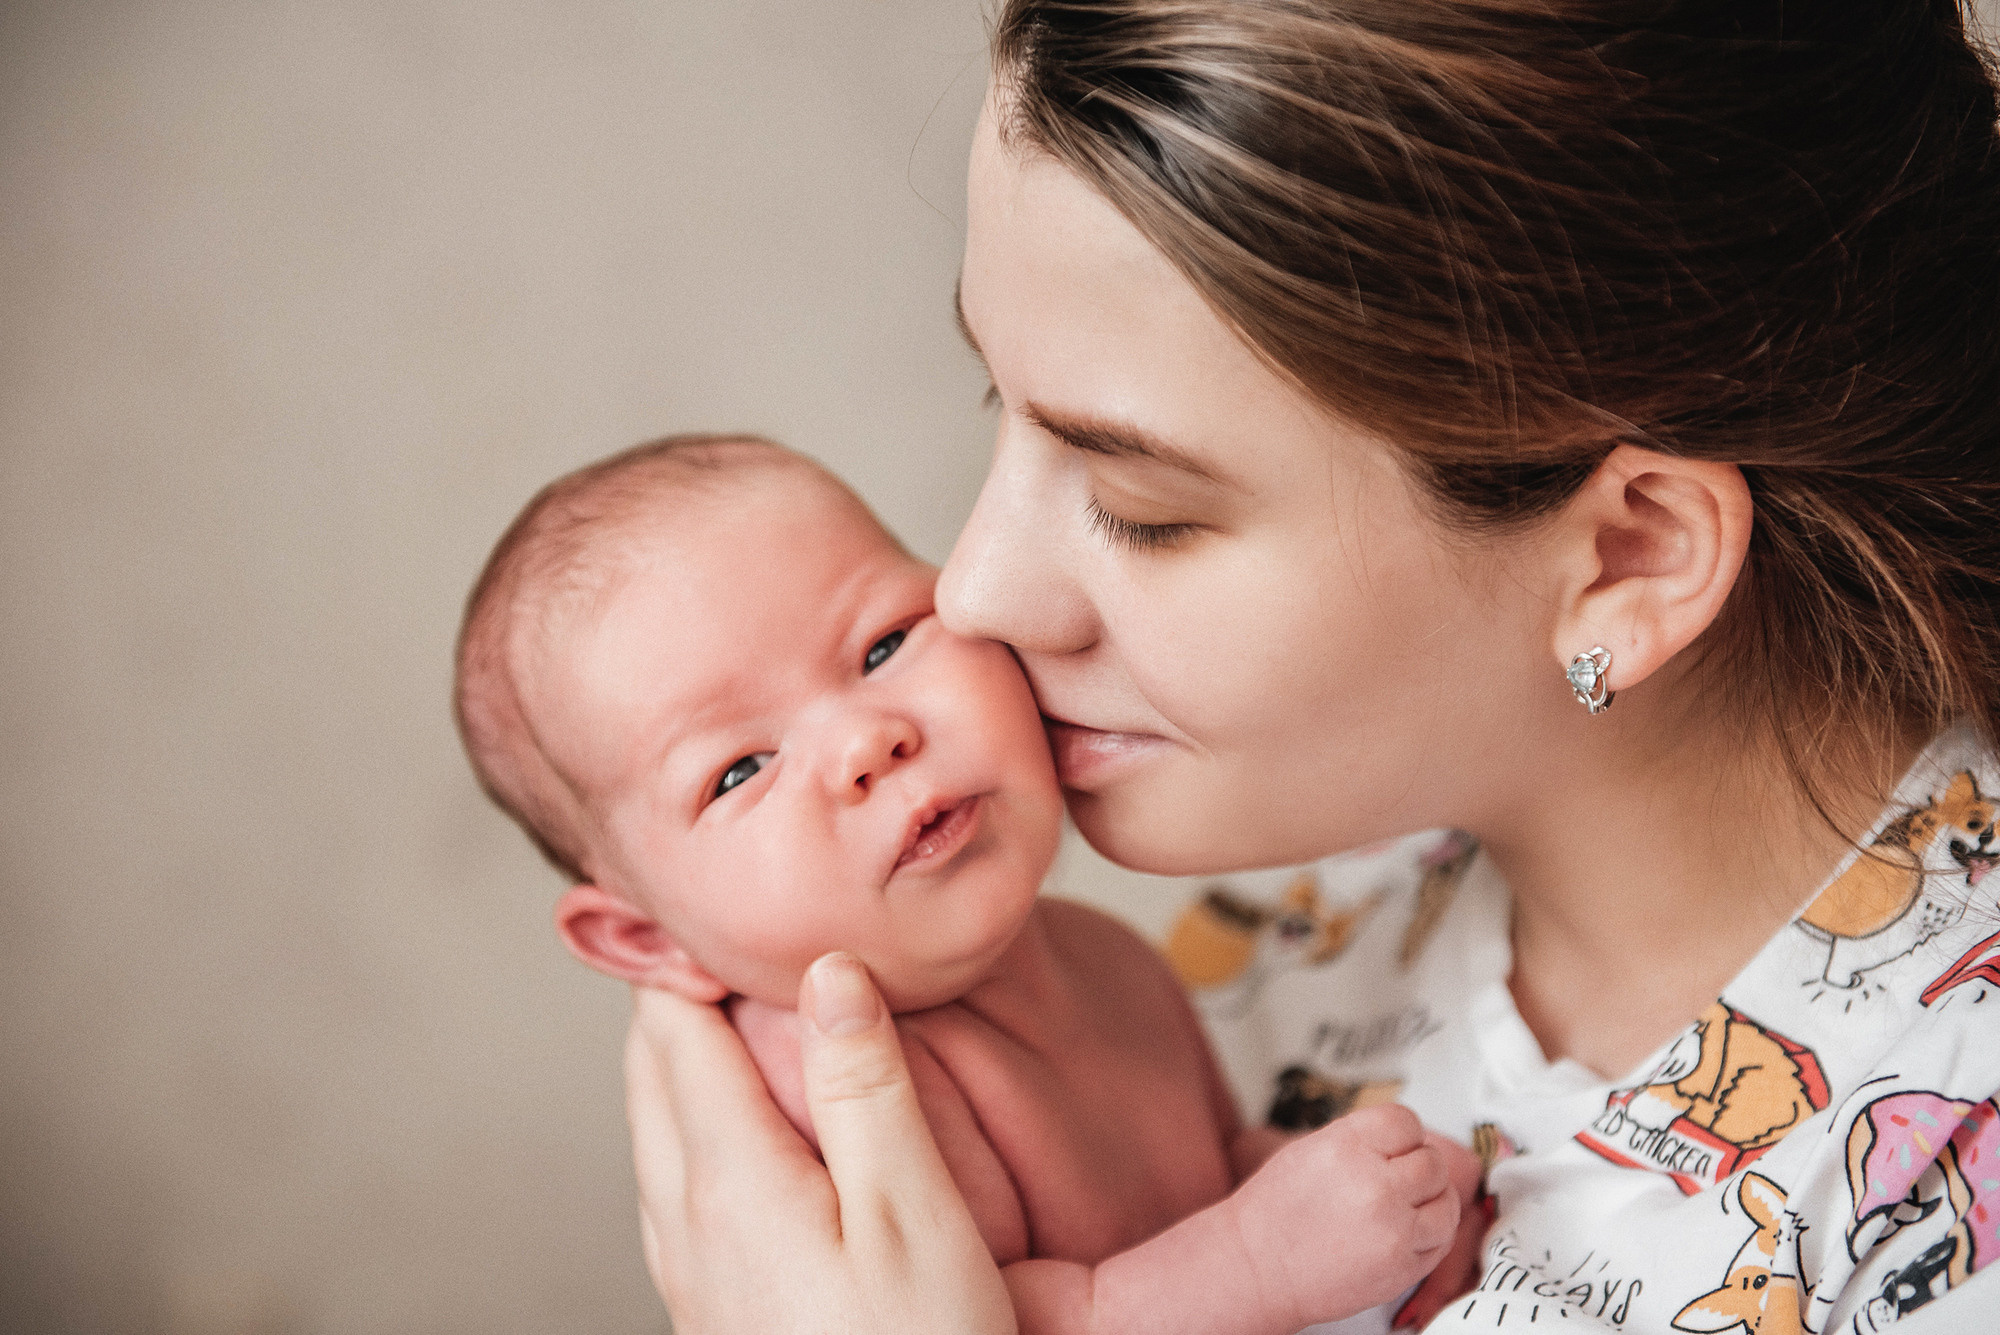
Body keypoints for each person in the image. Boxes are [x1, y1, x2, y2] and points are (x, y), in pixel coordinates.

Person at [621, 1, 2000, 1331]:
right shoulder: (1280, 936)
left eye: (1141, 502)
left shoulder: (1942, 1172)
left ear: (1629, 559)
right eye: (1002, 406)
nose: (971, 593)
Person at [452, 435, 1477, 1335]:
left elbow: (1206, 1176)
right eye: (737, 770)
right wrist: (1259, 1260)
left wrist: (1377, 1197)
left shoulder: (1107, 956)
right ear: (643, 941)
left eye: (884, 644)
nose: (866, 739)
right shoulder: (823, 1109)